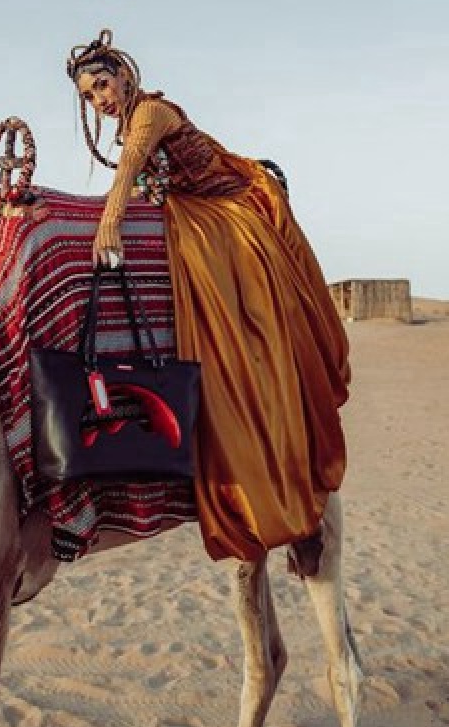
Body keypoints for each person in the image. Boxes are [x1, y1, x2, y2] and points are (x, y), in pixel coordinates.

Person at [67, 28, 350, 571]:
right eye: (89, 95)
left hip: (228, 213)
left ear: (125, 76)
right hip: (192, 212)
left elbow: (127, 175)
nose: (100, 99)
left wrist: (109, 224)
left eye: (103, 84)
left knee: (241, 316)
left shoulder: (149, 114)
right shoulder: (129, 123)